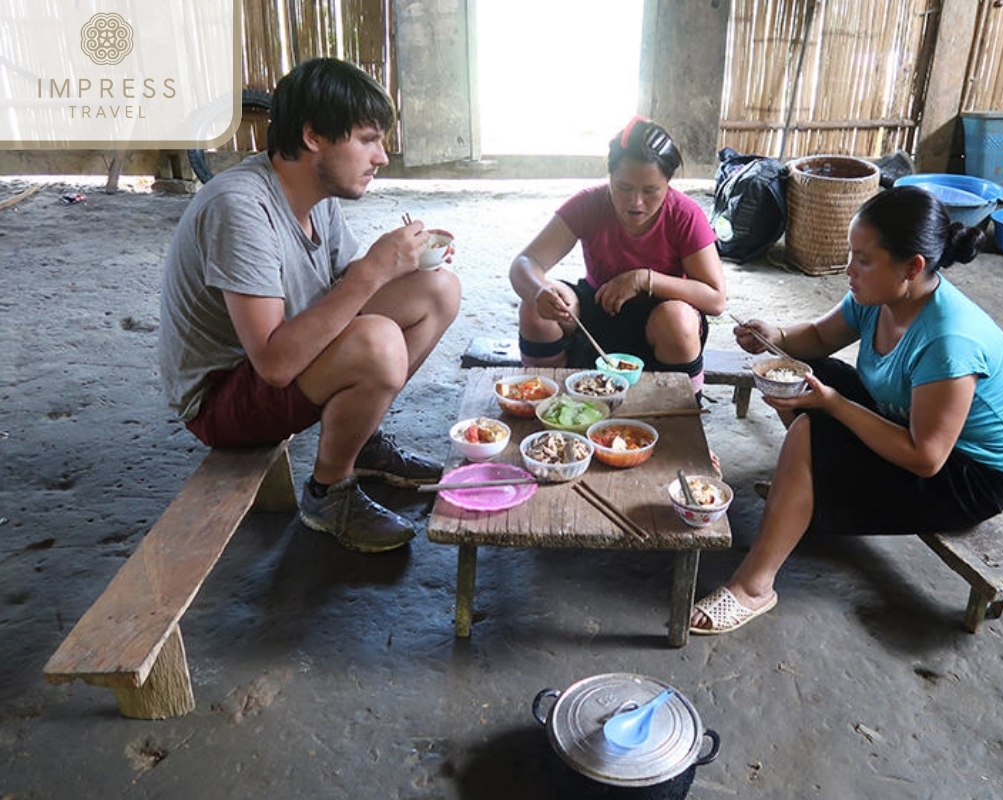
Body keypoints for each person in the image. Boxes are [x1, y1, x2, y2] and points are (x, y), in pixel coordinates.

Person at [689, 185, 1003, 634]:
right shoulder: (882, 296)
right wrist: (774, 334)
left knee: (816, 425)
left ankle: (755, 584)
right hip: (911, 425)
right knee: (803, 370)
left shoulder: (950, 341)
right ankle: (807, 491)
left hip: (969, 475)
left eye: (863, 260)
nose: (849, 270)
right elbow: (817, 336)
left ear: (913, 266)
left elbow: (926, 458)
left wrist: (833, 404)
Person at [158, 58, 461, 554]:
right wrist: (374, 270)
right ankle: (328, 493)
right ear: (314, 136)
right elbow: (275, 364)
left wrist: (403, 265)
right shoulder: (239, 208)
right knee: (378, 343)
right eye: (368, 139)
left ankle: (362, 440)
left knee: (438, 289)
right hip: (222, 397)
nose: (381, 157)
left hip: (285, 357)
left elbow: (341, 286)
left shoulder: (319, 195)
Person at [509, 117, 725, 397]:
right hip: (596, 317)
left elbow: (716, 300)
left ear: (668, 184)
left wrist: (643, 279)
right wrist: (539, 291)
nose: (636, 202)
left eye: (650, 191)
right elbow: (524, 264)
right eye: (624, 187)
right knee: (535, 308)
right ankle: (544, 400)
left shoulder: (685, 215)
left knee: (679, 320)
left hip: (663, 329)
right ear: (609, 176)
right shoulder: (589, 203)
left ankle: (683, 411)